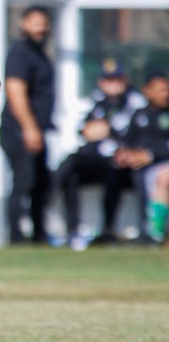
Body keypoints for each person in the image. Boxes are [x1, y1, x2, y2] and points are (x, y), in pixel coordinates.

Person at [52, 60, 144, 248]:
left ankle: (108, 229)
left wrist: (107, 129)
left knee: (113, 174)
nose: (113, 84)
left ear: (125, 80)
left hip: (122, 161)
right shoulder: (98, 101)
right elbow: (85, 130)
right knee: (73, 168)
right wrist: (98, 129)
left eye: (117, 79)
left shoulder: (135, 102)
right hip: (97, 158)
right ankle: (72, 229)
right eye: (108, 79)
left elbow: (128, 133)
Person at [1, 6, 55, 244]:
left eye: (44, 23)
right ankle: (16, 237)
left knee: (40, 183)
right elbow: (15, 90)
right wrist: (29, 127)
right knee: (23, 182)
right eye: (35, 23)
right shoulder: (21, 52)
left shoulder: (40, 53)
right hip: (20, 130)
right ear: (24, 25)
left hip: (36, 131)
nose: (41, 28)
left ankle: (39, 234)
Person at [115, 71, 169, 244]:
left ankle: (155, 231)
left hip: (163, 162)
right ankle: (139, 229)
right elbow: (127, 140)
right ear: (147, 91)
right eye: (160, 90)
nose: (165, 94)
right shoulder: (139, 114)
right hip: (143, 165)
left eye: (166, 90)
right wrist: (125, 154)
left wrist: (151, 155)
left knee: (162, 178)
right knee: (120, 174)